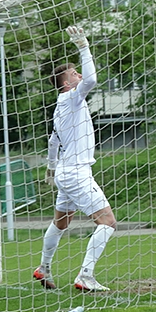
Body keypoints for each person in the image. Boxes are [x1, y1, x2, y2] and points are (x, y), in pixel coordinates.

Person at [33, 26, 117, 292]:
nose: (79, 75)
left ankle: (43, 268)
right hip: (78, 173)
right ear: (67, 83)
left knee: (61, 222)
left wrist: (50, 167)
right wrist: (83, 46)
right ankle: (86, 275)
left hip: (65, 172)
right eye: (74, 73)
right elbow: (91, 80)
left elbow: (53, 142)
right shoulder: (71, 97)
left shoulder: (61, 106)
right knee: (108, 222)